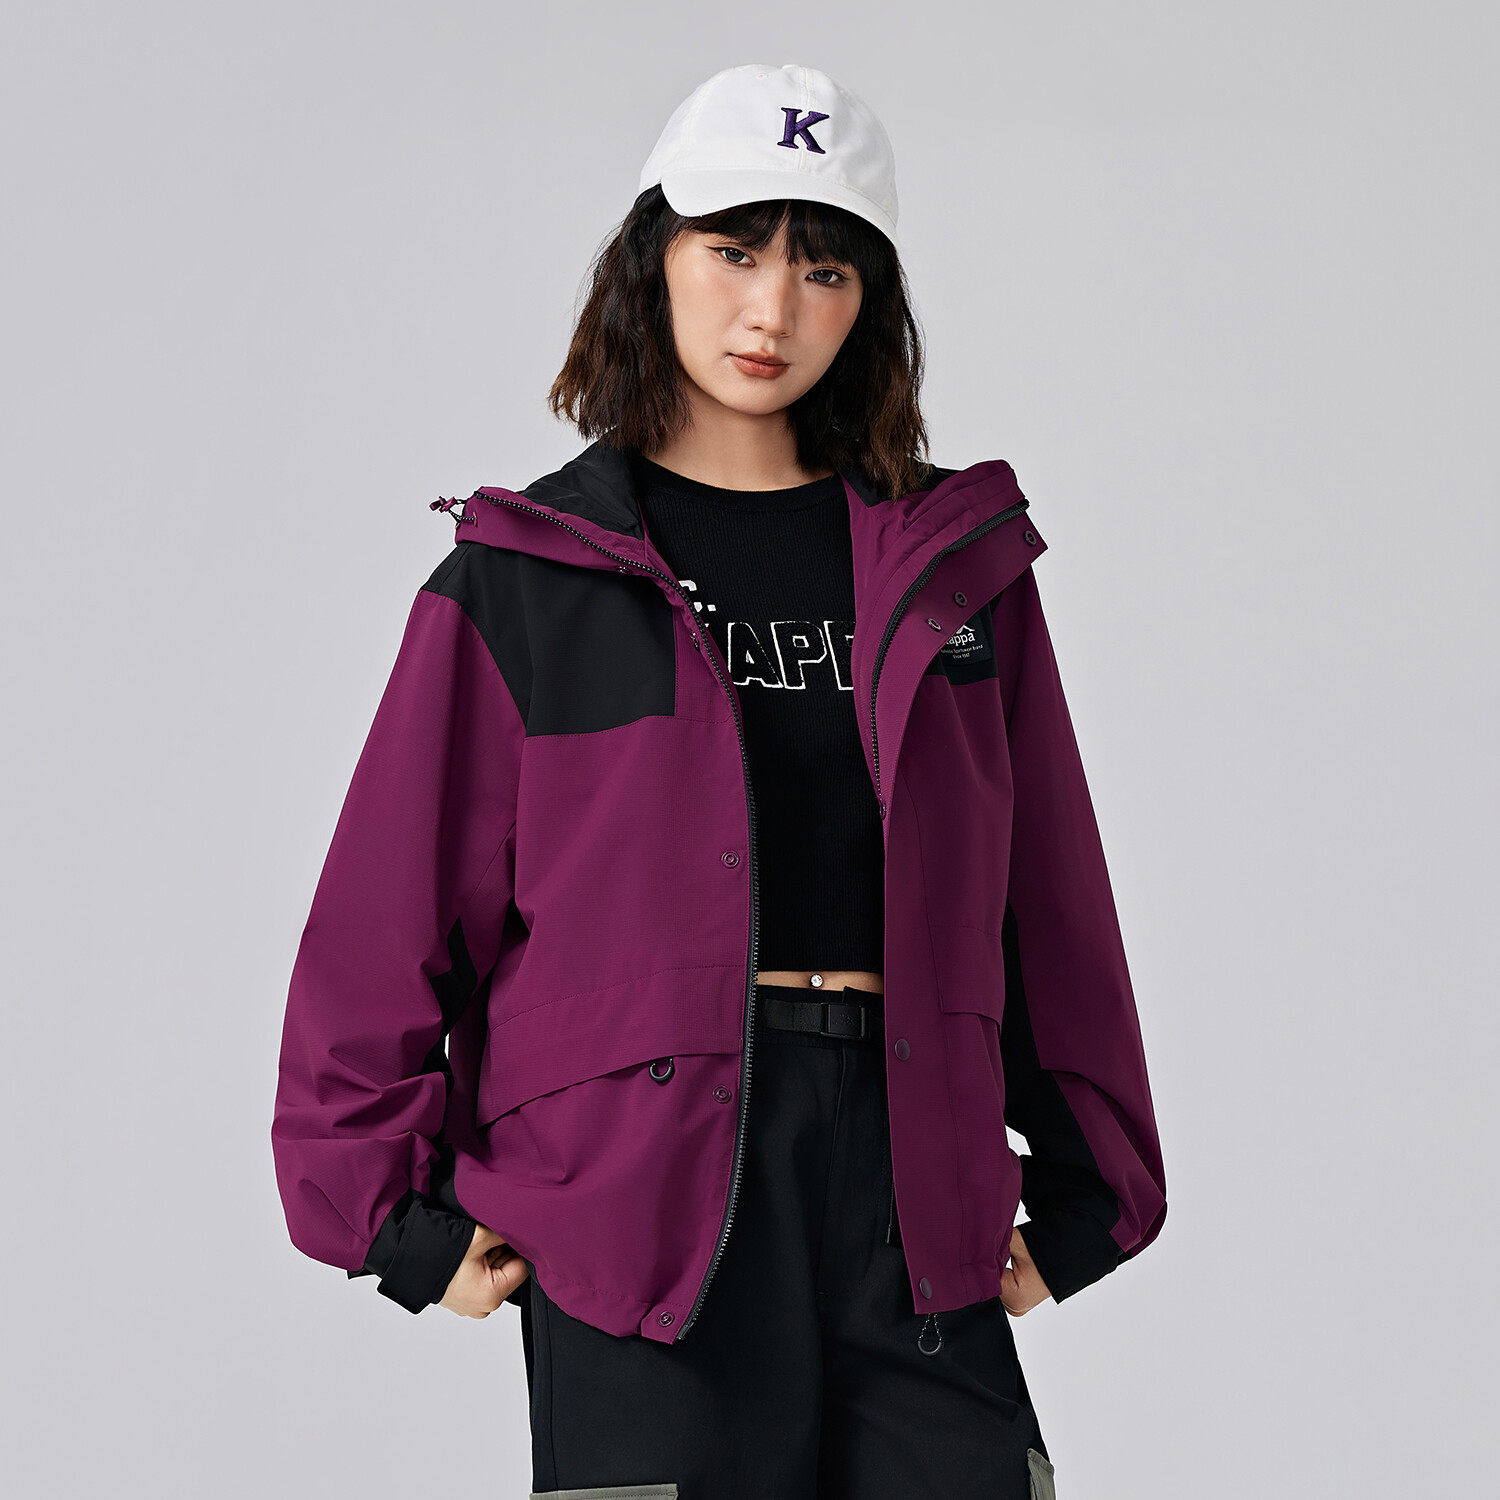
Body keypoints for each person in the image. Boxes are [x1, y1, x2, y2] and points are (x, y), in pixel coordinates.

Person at [272, 62, 1167, 1500]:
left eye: (823, 270)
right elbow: (386, 914)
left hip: (909, 1174)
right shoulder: (526, 581)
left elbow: (1049, 899)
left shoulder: (953, 577)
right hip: (638, 1202)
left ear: (868, 303)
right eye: (735, 251)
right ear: (655, 259)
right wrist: (382, 1214)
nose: (773, 311)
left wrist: (1090, 1191)